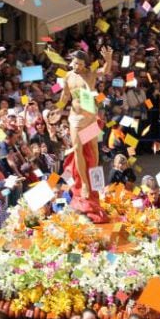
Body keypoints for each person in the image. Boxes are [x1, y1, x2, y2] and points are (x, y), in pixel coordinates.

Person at [56, 48, 113, 222]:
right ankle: (85, 185)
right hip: (75, 118)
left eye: (80, 64)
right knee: (77, 149)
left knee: (94, 153)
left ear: (85, 64)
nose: (77, 67)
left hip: (91, 117)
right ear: (70, 62)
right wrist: (58, 110)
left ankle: (94, 184)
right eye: (75, 64)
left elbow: (106, 70)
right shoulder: (67, 77)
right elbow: (65, 96)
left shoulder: (91, 73)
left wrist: (108, 59)